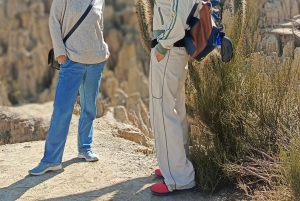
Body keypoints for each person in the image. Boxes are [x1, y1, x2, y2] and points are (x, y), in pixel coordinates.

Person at [29, 0, 110, 176]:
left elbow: (99, 25)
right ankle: (51, 160)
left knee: (89, 107)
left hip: (96, 61)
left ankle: (85, 148)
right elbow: (54, 21)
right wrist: (60, 52)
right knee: (62, 110)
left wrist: (103, 50)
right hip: (72, 60)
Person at [149, 0, 197, 195]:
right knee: (175, 109)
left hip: (168, 49)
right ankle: (177, 164)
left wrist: (163, 45)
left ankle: (179, 178)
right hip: (176, 48)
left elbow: (180, 9)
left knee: (163, 112)